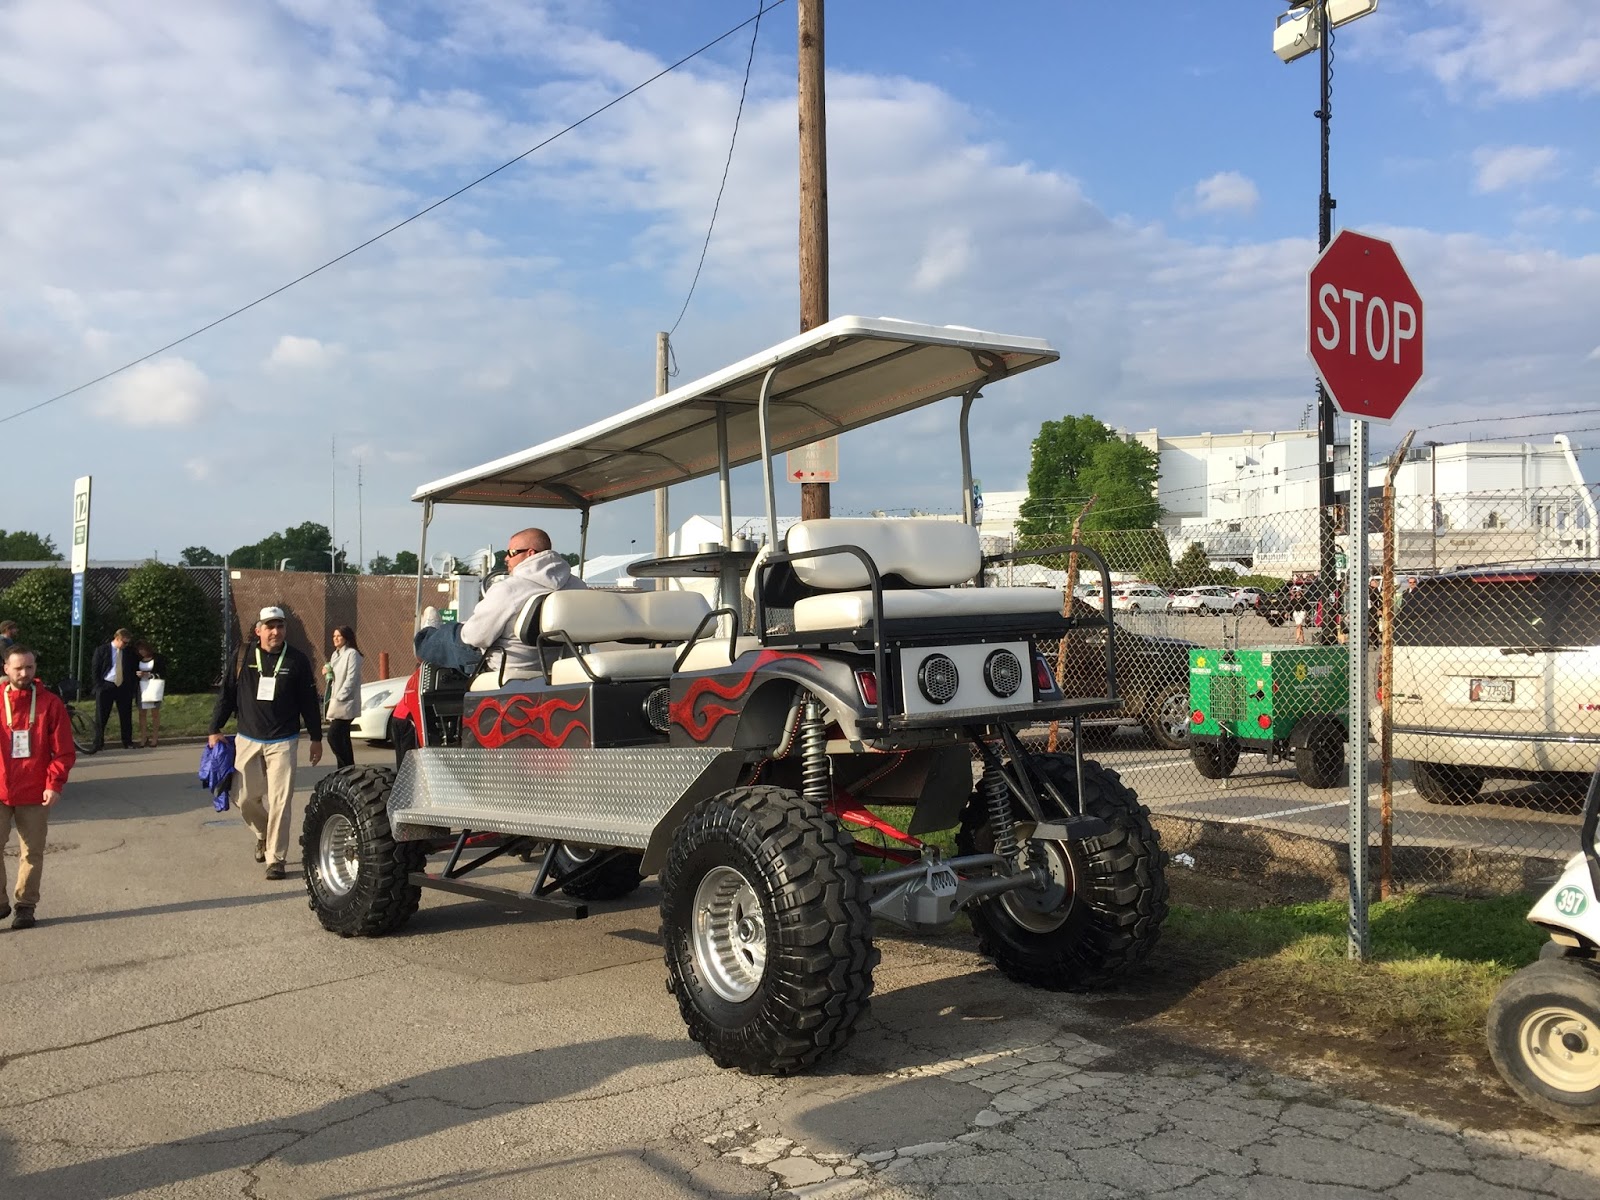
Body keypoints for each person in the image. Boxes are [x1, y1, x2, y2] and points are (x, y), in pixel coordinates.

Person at [208, 607, 323, 880]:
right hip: (248, 738)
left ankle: (276, 858)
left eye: (280, 626)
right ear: (258, 630)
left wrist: (316, 737)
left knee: (281, 801)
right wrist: (214, 728)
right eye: (269, 627)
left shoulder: (297, 660)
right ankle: (263, 834)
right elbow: (227, 694)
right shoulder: (243, 656)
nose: (275, 632)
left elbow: (309, 702)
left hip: (284, 741)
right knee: (244, 797)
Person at [0, 645, 76, 929]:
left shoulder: (50, 704)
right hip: (0, 788)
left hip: (35, 791)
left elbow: (64, 751)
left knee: (32, 852)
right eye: (18, 668)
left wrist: (54, 784)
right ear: (6, 669)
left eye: (29, 667)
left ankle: (25, 906)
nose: (24, 673)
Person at [457, 528, 586, 676]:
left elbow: (475, 637)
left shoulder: (508, 589)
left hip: (507, 667)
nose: (506, 558)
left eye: (512, 553)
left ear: (530, 553)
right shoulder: (579, 587)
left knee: (442, 635)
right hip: (559, 666)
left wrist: (463, 628)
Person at [91, 628, 141, 750]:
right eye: (124, 642)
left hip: (123, 686)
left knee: (126, 715)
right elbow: (95, 670)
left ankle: (127, 741)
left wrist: (132, 682)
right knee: (101, 716)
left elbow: (134, 668)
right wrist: (99, 686)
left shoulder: (129, 652)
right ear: (117, 639)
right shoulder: (102, 650)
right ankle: (98, 743)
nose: (126, 645)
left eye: (128, 643)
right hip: (107, 685)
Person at [324, 625, 363, 769]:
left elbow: (351, 678)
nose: (335, 639)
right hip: (336, 700)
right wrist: (327, 671)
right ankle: (346, 768)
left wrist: (341, 696)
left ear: (346, 638)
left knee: (333, 736)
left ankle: (345, 766)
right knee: (343, 737)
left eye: (339, 636)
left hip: (345, 702)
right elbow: (334, 675)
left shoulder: (352, 654)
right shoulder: (335, 654)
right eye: (334, 636)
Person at [135, 640, 167, 748]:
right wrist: (138, 675)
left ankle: (155, 737)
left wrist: (149, 674)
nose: (141, 652)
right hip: (141, 687)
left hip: (154, 687)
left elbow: (163, 673)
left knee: (155, 713)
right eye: (139, 650)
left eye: (142, 649)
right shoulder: (137, 659)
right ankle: (143, 737)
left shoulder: (158, 658)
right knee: (142, 713)